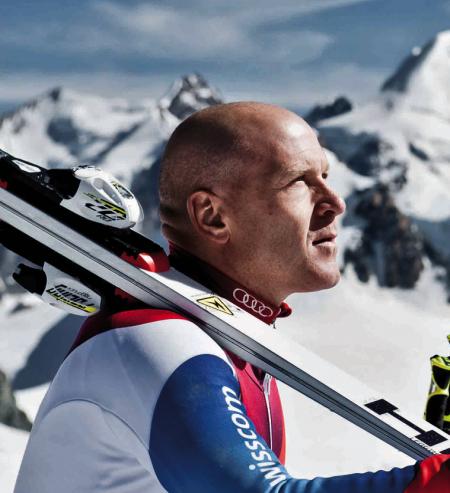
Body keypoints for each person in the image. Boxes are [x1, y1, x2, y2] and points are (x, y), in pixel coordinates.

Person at [14, 102, 450, 492]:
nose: (335, 202)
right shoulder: (156, 344)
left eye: (326, 177)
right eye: (299, 181)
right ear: (213, 216)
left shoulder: (238, 345)